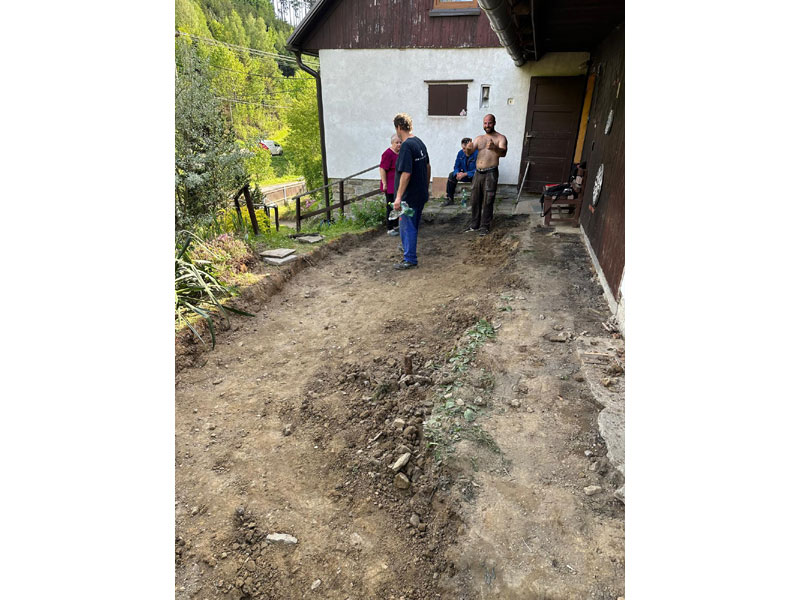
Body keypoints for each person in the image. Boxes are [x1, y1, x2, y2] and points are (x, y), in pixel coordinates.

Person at [392, 113, 430, 270]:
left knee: (408, 226)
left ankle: (410, 258)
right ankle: (407, 247)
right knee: (411, 225)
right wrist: (426, 187)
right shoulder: (419, 142)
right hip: (420, 193)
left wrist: (398, 197)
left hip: (409, 197)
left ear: (399, 127)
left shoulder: (406, 146)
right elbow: (427, 166)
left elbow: (406, 173)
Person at [464, 114, 508, 236]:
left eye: (489, 123)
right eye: (485, 123)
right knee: (475, 199)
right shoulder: (479, 138)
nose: (487, 125)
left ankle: (485, 226)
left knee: (488, 200)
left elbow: (503, 153)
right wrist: (468, 149)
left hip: (491, 172)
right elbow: (469, 153)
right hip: (478, 173)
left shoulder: (500, 138)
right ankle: (474, 225)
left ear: (494, 123)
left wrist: (494, 148)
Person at [443, 137, 477, 206]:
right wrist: (457, 173)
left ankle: (476, 201)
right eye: (462, 148)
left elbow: (478, 170)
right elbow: (456, 166)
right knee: (451, 175)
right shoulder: (460, 153)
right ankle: (449, 199)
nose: (463, 150)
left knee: (478, 178)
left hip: (474, 176)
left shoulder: (477, 153)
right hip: (463, 175)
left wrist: (466, 174)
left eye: (465, 148)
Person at [379, 134, 402, 235]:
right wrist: (384, 183)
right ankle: (390, 228)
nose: (399, 144)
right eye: (397, 143)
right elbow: (382, 169)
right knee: (390, 206)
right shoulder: (387, 154)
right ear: (392, 143)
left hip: (397, 185)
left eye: (400, 142)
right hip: (390, 185)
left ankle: (396, 225)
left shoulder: (400, 153)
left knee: (398, 206)